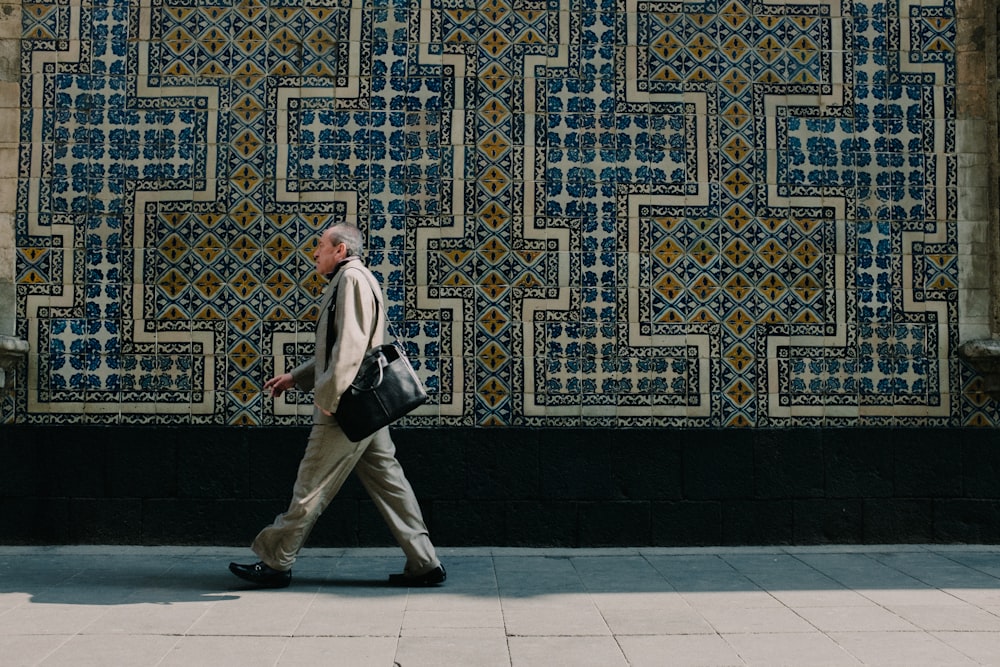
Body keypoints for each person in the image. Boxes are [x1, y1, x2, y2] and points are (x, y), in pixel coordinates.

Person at [229, 222, 445, 589]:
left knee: (310, 483)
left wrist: (328, 399)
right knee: (390, 484)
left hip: (346, 408)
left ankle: (275, 560)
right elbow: (339, 347)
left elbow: (350, 346)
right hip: (365, 407)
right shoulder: (357, 280)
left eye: (320, 246)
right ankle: (424, 563)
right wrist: (295, 377)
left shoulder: (351, 281)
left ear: (340, 250)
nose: (315, 252)